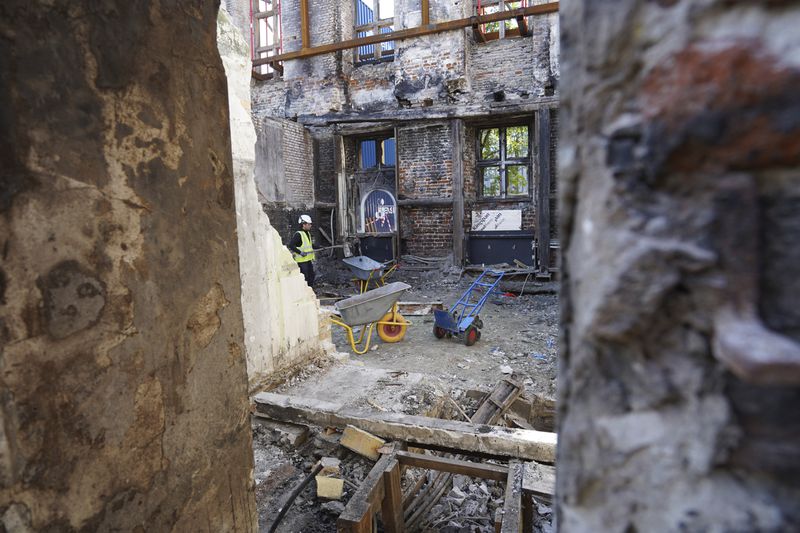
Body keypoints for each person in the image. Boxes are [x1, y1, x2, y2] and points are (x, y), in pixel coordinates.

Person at [289, 214, 315, 287]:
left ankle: (310, 292)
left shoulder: (307, 233)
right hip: (301, 262)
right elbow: (291, 245)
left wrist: (320, 247)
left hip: (308, 260)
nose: (310, 225)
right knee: (305, 278)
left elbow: (309, 245)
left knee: (311, 276)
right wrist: (300, 252)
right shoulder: (298, 234)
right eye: (309, 224)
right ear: (303, 224)